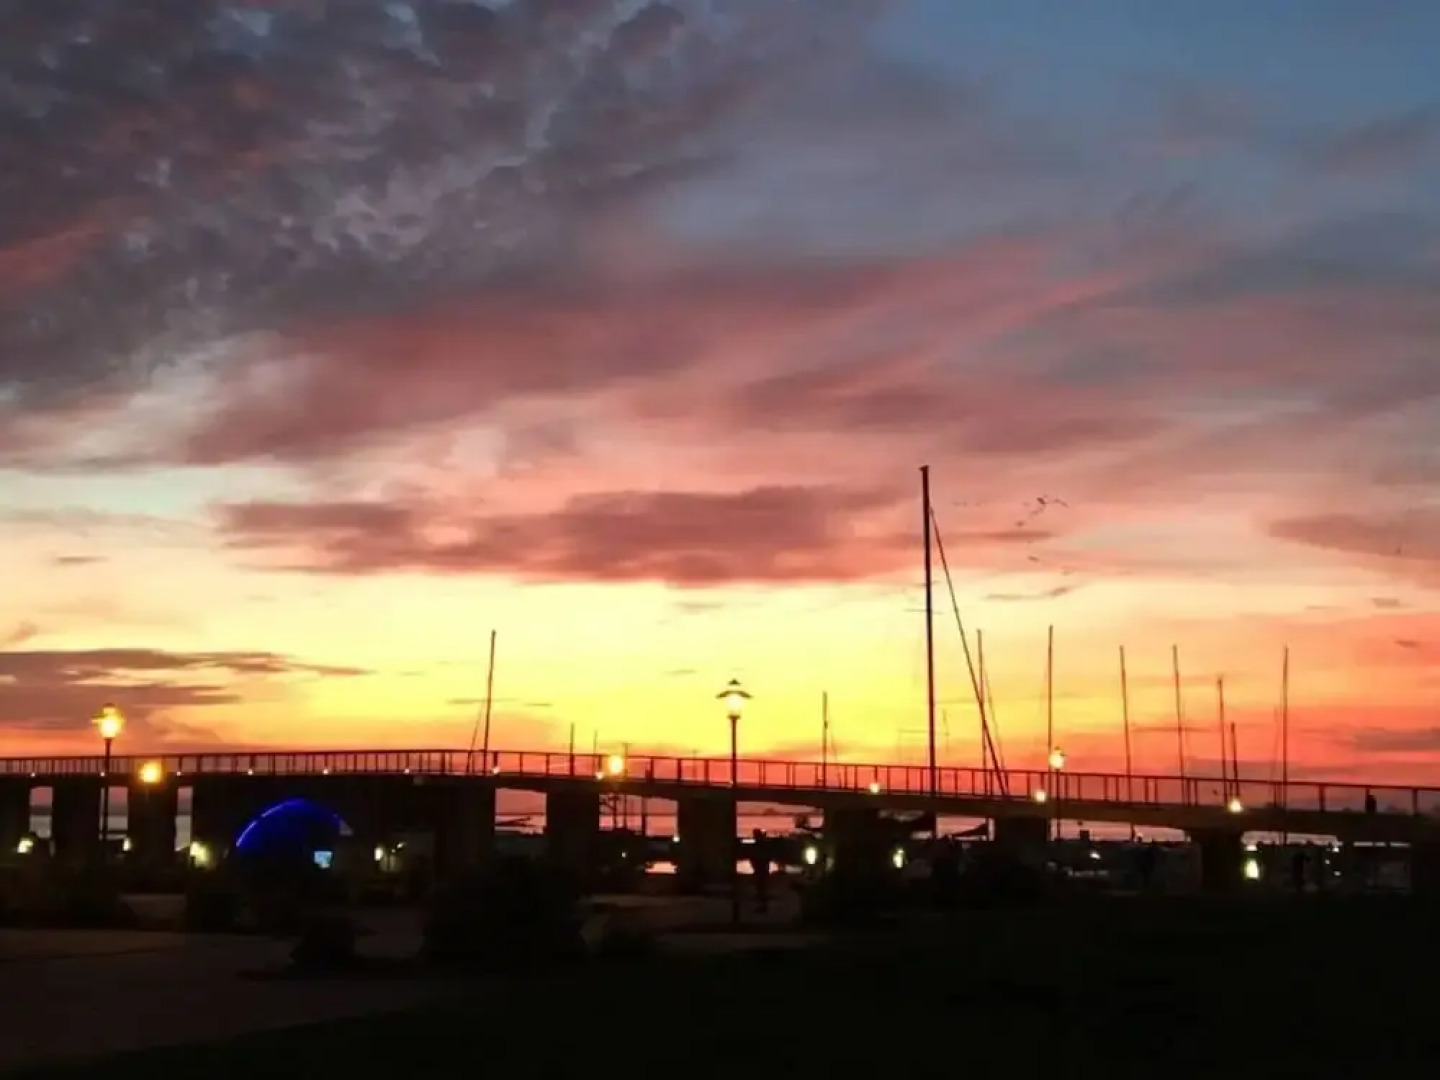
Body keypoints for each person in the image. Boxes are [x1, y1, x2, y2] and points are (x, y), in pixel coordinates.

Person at [749, 828, 772, 912]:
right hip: (761, 868)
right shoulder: (761, 845)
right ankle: (762, 906)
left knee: (761, 888)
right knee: (761, 888)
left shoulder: (760, 845)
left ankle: (763, 906)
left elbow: (759, 857)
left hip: (761, 868)